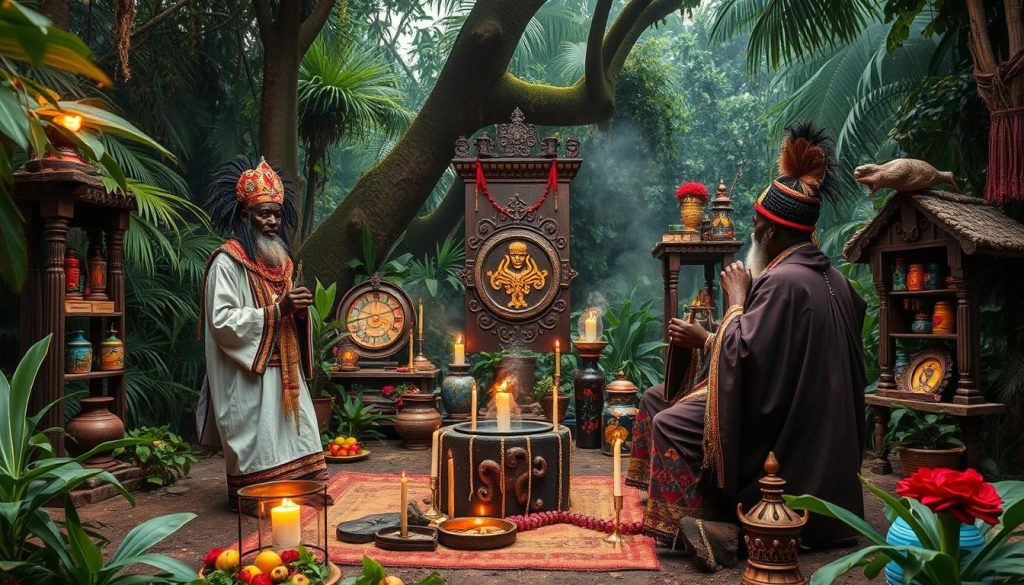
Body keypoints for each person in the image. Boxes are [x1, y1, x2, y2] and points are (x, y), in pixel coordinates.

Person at [626, 123, 867, 570]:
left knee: (669, 422)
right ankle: (660, 501)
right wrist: (711, 336)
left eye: (757, 225)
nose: (752, 230)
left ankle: (708, 524)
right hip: (807, 427)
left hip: (786, 437)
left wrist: (735, 302)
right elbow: (771, 357)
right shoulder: (831, 279)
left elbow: (749, 362)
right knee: (655, 396)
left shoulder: (782, 281)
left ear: (772, 232)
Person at [196, 157, 328, 506]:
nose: (272, 221)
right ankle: (258, 497)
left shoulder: (280, 262)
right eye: (264, 213)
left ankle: (305, 488)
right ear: (244, 216)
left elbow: (288, 315)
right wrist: (278, 311)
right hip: (247, 372)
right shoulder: (226, 261)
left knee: (299, 429)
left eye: (277, 214)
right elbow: (221, 321)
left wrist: (300, 315)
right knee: (260, 439)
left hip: (284, 366)